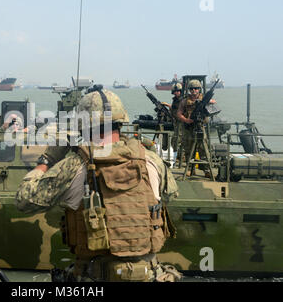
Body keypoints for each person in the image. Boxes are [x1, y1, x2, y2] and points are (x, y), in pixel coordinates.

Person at [16, 87, 181, 282]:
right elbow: (170, 195)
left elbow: (24, 200)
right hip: (150, 275)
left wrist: (46, 161)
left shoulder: (74, 165)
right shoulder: (152, 161)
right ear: (120, 122)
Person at [176, 79, 215, 178]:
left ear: (199, 89)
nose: (194, 91)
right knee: (189, 149)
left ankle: (206, 170)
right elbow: (179, 114)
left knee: (203, 149)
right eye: (192, 89)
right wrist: (186, 120)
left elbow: (214, 102)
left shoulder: (203, 100)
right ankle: (189, 169)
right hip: (189, 128)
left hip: (200, 126)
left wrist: (207, 101)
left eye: (196, 88)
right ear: (189, 90)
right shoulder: (185, 101)